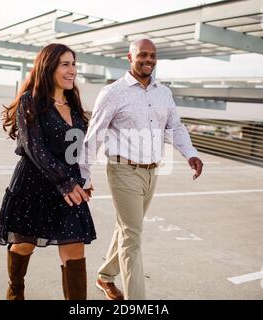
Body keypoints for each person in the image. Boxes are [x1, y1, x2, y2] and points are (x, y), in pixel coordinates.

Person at [79, 39, 203, 300]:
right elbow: (95, 134)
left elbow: (176, 127)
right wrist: (84, 174)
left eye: (153, 55)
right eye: (142, 55)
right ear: (130, 57)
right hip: (123, 171)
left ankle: (104, 276)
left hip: (151, 172)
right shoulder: (113, 92)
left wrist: (190, 153)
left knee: (126, 228)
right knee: (132, 237)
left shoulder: (163, 93)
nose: (148, 60)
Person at [0, 43, 96, 300]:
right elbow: (33, 147)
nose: (72, 70)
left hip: (69, 188)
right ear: (48, 67)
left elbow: (78, 152)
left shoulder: (74, 106)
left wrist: (82, 180)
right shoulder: (31, 101)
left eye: (74, 64)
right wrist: (65, 182)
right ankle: (15, 291)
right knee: (24, 245)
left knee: (75, 250)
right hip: (33, 187)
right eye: (65, 64)